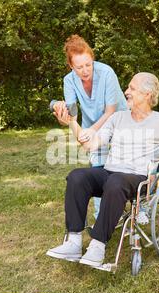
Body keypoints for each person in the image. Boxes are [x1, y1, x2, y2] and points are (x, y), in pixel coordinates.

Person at [47, 72, 159, 268]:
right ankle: (73, 242)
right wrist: (72, 122)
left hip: (140, 179)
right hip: (110, 173)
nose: (126, 91)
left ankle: (97, 246)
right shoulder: (118, 118)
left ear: (147, 94)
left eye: (132, 89)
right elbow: (89, 144)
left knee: (116, 182)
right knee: (77, 176)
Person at [52, 35, 127, 220]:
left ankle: (140, 210)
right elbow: (73, 115)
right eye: (79, 67)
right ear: (71, 67)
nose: (85, 70)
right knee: (98, 168)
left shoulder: (107, 73)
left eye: (88, 64)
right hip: (90, 125)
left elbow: (111, 111)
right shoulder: (69, 81)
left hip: (119, 121)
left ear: (92, 59)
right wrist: (66, 121)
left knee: (126, 166)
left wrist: (92, 131)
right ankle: (102, 216)